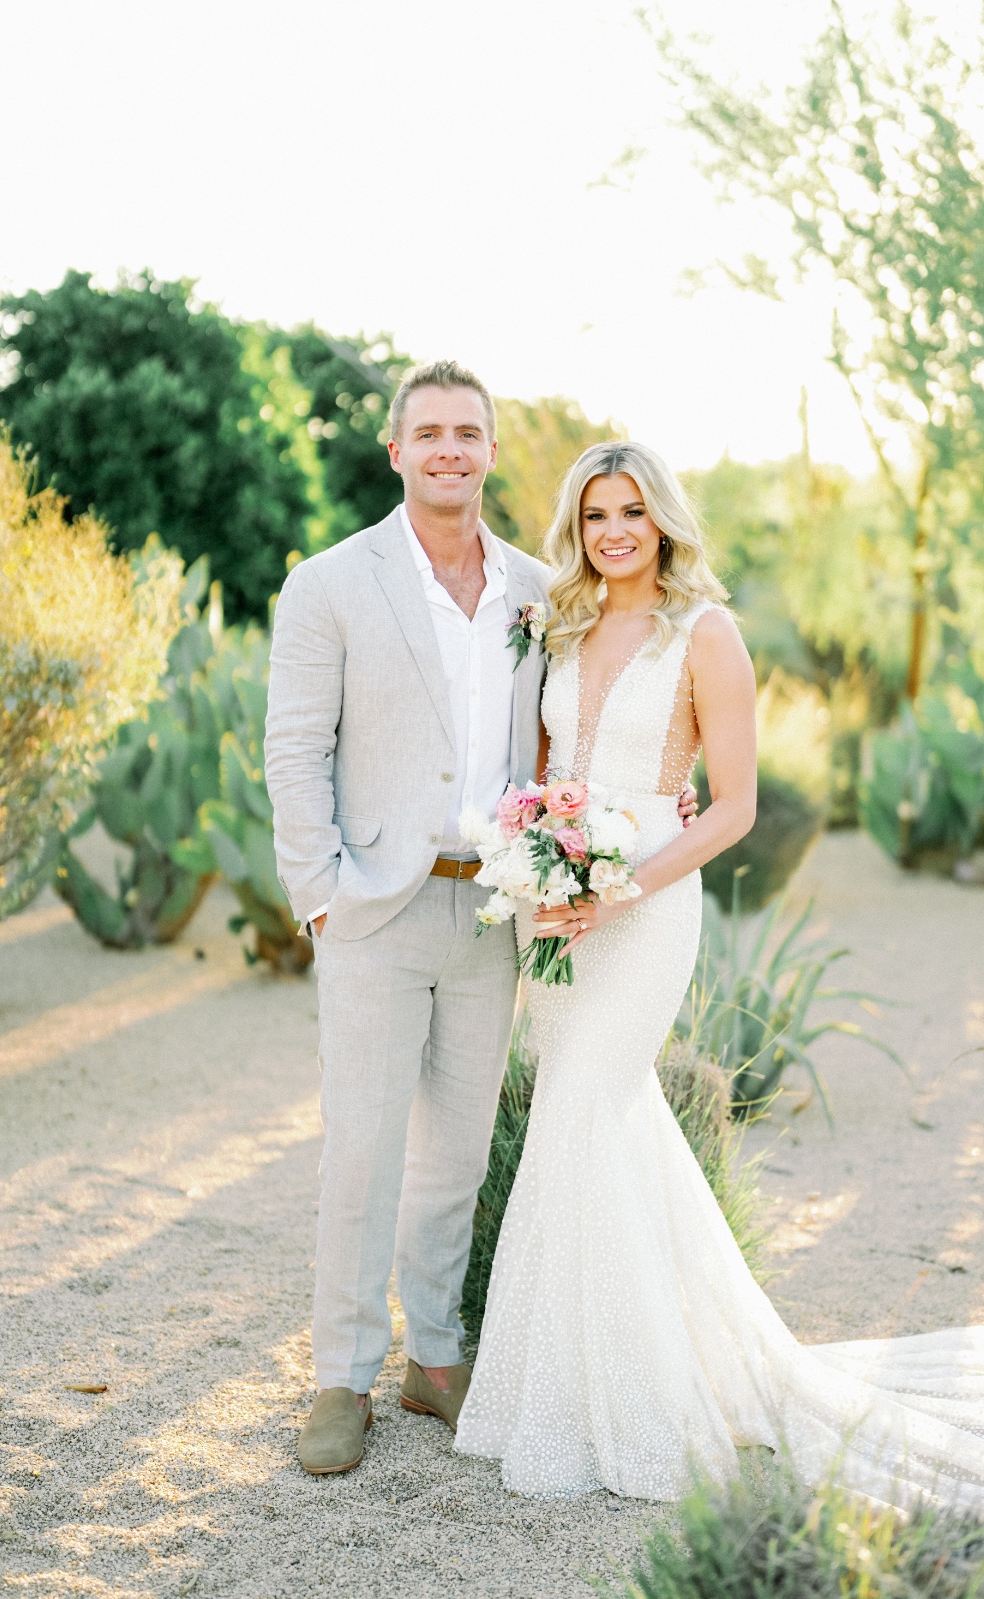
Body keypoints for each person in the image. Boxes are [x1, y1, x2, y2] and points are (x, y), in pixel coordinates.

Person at [454, 440, 984, 1559]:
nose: (614, 531)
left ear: (664, 520)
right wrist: (540, 866)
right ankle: (578, 1381)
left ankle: (630, 1409)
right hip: (557, 907)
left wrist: (619, 886)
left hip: (645, 905)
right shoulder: (562, 627)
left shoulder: (703, 635)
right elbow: (542, 768)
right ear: (574, 526)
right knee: (605, 1132)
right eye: (595, 513)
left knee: (581, 1115)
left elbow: (732, 808)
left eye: (632, 511)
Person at [264, 365, 695, 1476]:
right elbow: (293, 748)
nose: (450, 449)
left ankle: (438, 1362)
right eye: (430, 433)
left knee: (452, 1153)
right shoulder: (329, 583)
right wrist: (320, 891)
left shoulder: (532, 589)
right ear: (395, 449)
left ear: (492, 452)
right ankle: (341, 1378)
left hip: (496, 909)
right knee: (362, 1149)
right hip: (374, 905)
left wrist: (663, 793)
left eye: (469, 433)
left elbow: (589, 719)